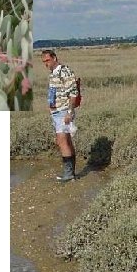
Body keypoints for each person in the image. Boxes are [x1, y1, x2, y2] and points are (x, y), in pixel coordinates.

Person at [42, 49, 78, 181]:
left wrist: (70, 112)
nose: (46, 63)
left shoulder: (64, 71)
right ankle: (70, 174)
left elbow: (73, 93)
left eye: (48, 60)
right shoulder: (53, 73)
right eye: (44, 61)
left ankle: (69, 174)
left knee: (62, 141)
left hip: (63, 111)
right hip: (56, 111)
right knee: (66, 141)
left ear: (54, 58)